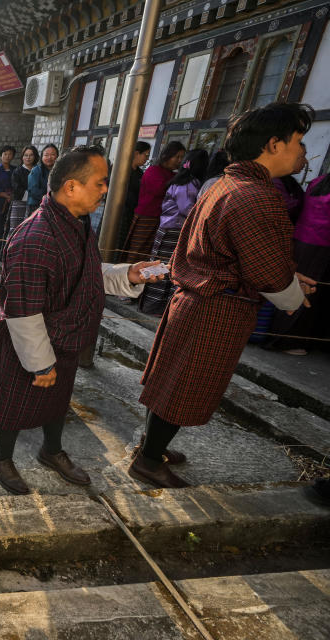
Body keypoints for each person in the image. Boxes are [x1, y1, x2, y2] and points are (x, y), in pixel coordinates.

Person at [134, 102, 318, 489]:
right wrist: (292, 293)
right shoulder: (256, 194)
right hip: (217, 308)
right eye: (298, 142)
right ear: (272, 144)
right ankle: (149, 461)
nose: (303, 152)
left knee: (170, 383)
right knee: (184, 388)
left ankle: (149, 448)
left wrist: (287, 276)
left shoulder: (223, 183)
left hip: (195, 300)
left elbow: (242, 251)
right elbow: (267, 271)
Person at [0, 145, 163, 494]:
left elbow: (85, 272)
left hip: (67, 336)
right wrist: (41, 364)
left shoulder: (76, 224)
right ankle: (2, 457)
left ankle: (51, 450)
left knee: (58, 400)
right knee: (15, 403)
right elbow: (23, 310)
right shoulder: (34, 237)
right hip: (32, 342)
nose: (105, 190)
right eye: (100, 183)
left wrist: (128, 275)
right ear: (71, 187)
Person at [266, 170, 330, 355]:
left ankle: (278, 336)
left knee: (295, 287)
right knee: (308, 292)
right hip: (321, 245)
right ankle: (287, 341)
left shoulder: (317, 182)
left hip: (301, 240)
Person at [139, 149, 209, 316]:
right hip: (173, 230)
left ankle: (152, 304)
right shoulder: (187, 184)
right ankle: (153, 306)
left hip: (169, 230)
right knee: (164, 267)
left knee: (162, 266)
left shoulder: (182, 181)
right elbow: (187, 209)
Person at [121, 141, 185, 264]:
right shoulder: (153, 171)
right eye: (177, 157)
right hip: (146, 217)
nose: (179, 160)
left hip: (160, 220)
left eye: (181, 157)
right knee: (136, 251)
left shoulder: (172, 174)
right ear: (167, 156)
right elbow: (160, 190)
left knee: (148, 254)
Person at [116, 141, 152, 254]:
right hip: (118, 213)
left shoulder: (140, 173)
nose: (147, 159)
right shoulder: (121, 170)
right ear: (136, 153)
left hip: (132, 214)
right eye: (146, 155)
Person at [273, 142, 307, 223]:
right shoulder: (274, 181)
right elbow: (290, 209)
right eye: (302, 156)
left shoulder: (288, 179)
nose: (305, 161)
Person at [26, 144, 59, 213]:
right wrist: (50, 199)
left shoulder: (60, 171)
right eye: (46, 155)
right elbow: (33, 190)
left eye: (53, 154)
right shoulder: (36, 170)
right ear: (42, 157)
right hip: (36, 207)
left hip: (55, 207)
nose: (49, 157)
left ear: (57, 156)